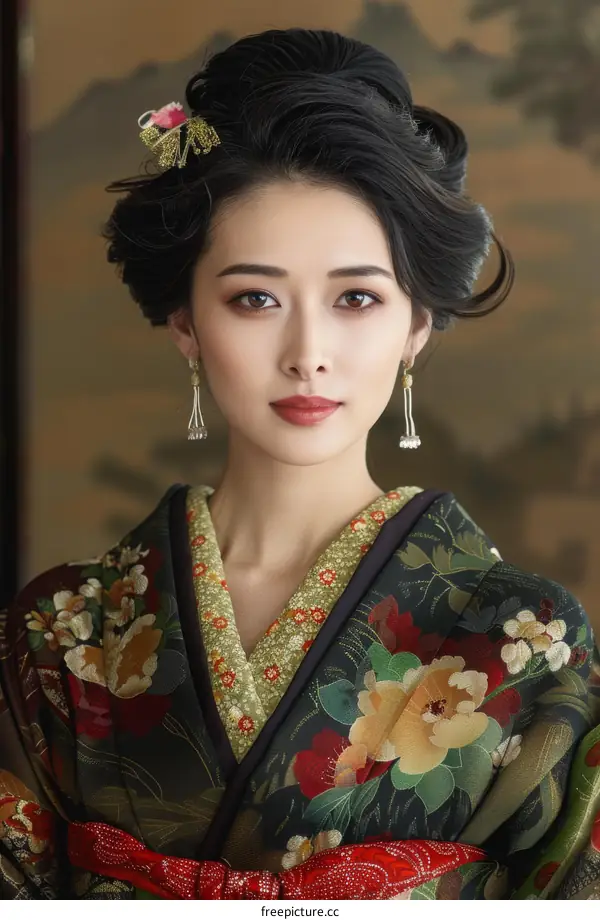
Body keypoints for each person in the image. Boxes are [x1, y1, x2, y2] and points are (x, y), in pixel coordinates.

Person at [1, 27, 599, 901]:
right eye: (255, 299)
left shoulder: (523, 637)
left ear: (416, 329)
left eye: (357, 297)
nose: (308, 351)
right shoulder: (66, 630)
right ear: (186, 326)